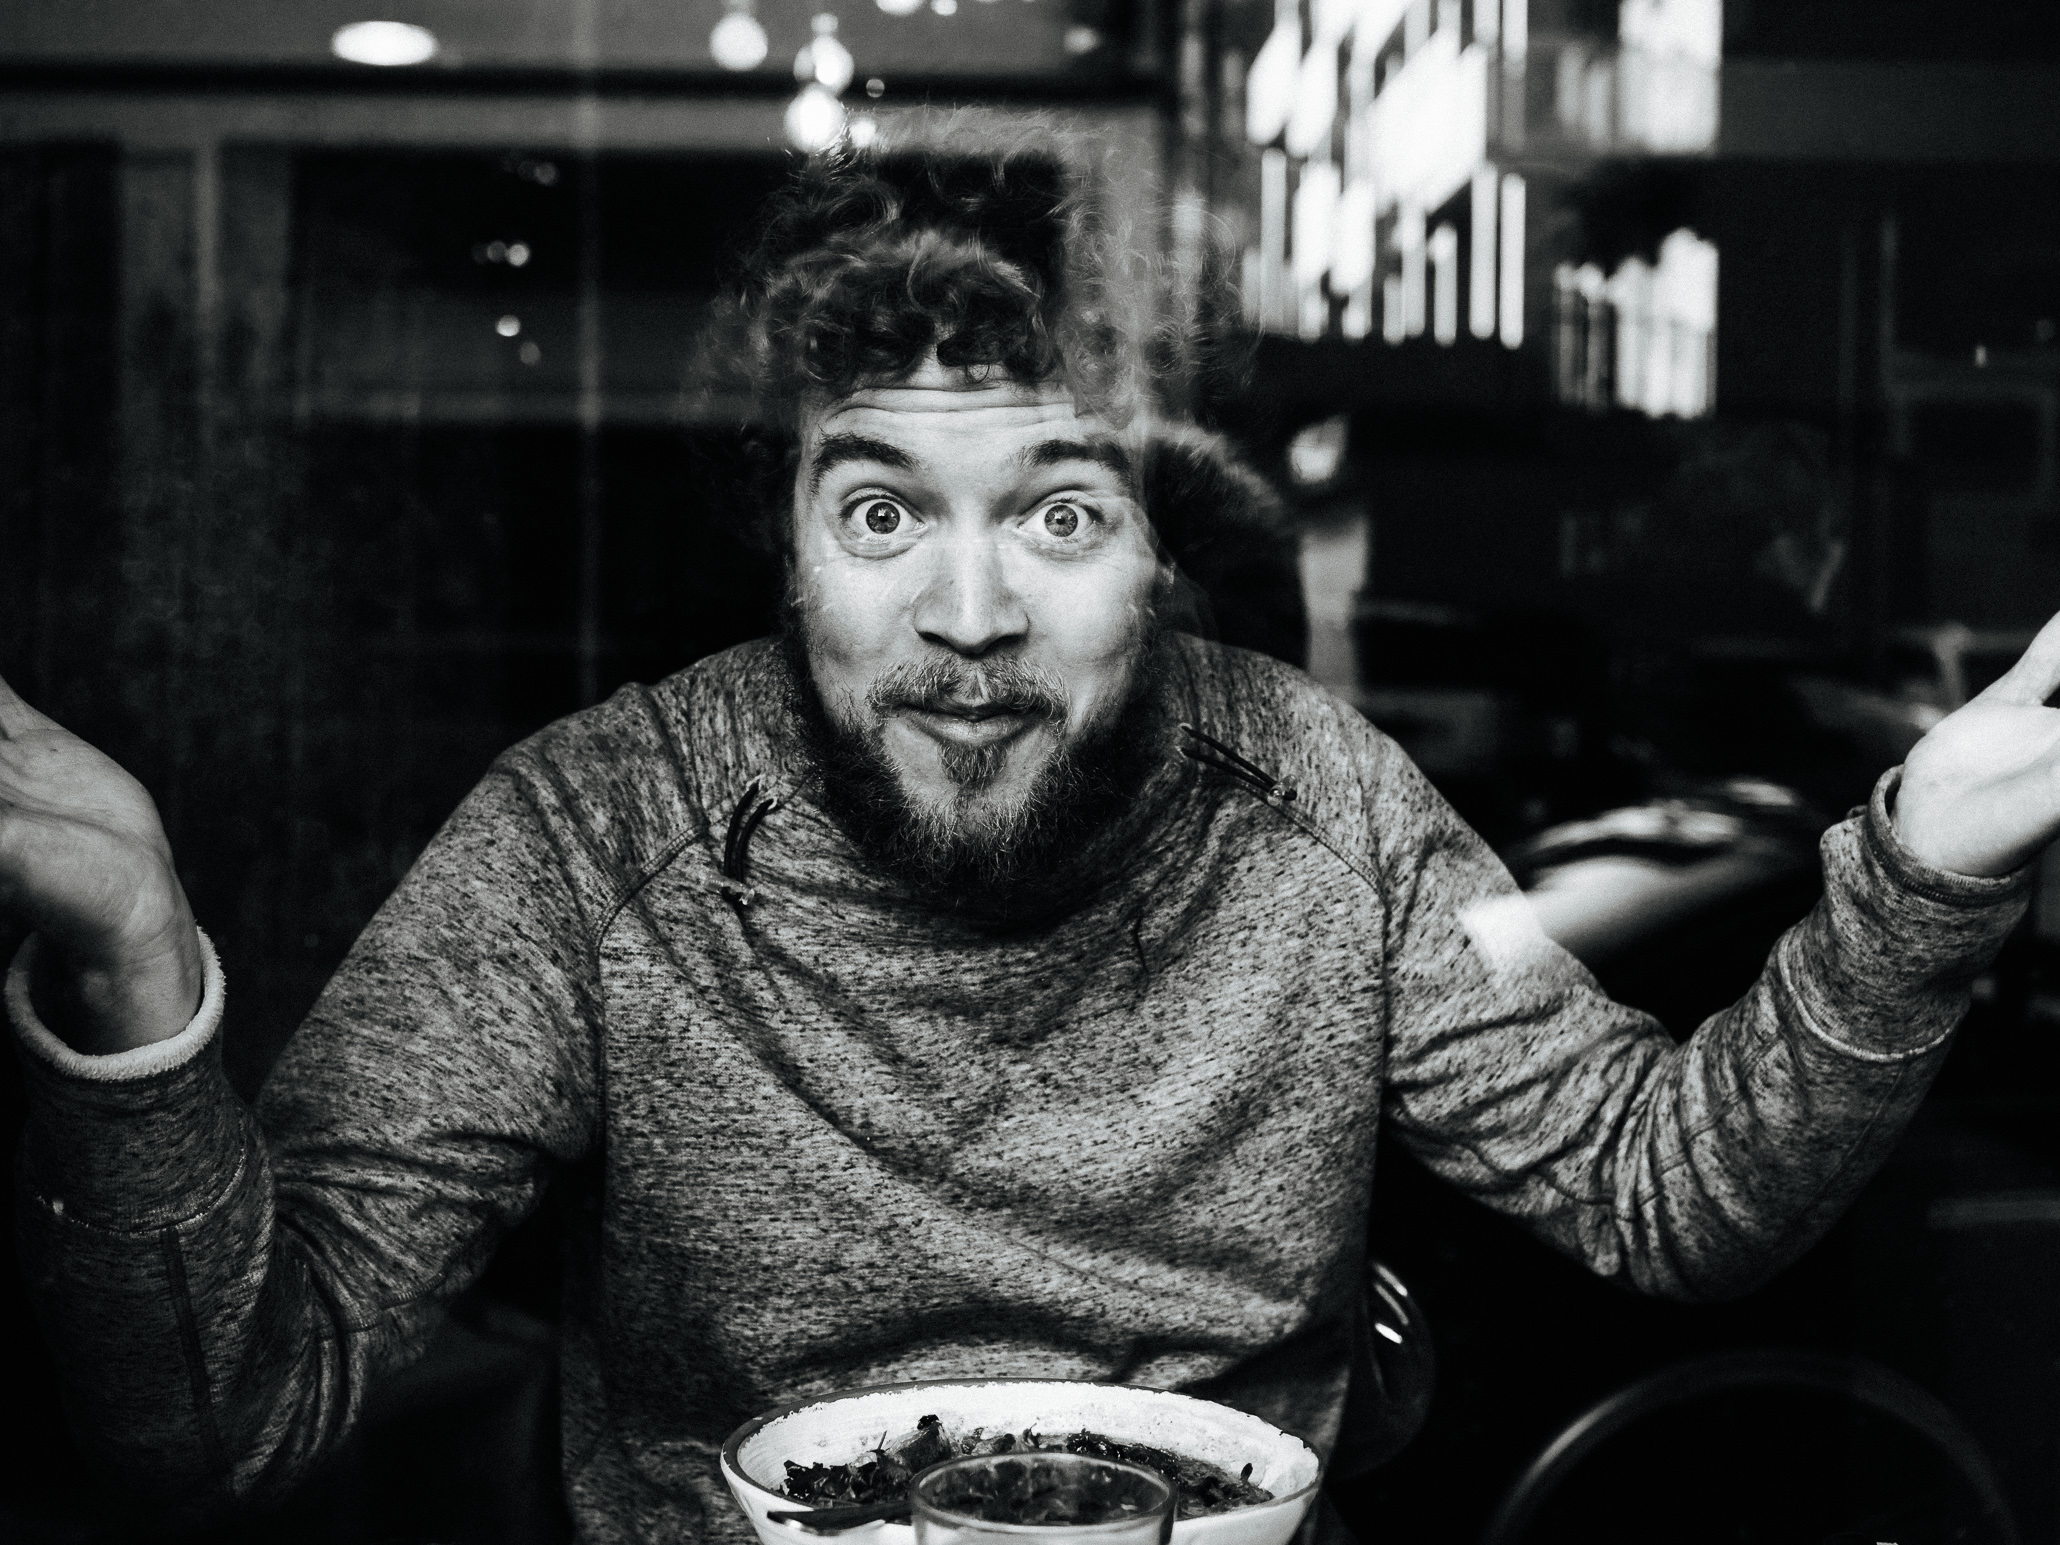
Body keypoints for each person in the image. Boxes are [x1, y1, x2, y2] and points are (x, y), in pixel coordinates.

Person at [1, 146, 2054, 1545]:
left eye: (1060, 511)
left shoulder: (1314, 798)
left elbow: (1664, 1193)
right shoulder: (592, 832)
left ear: (1161, 552)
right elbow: (226, 1420)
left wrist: (1929, 871)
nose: (969, 614)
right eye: (882, 511)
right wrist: (133, 973)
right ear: (787, 547)